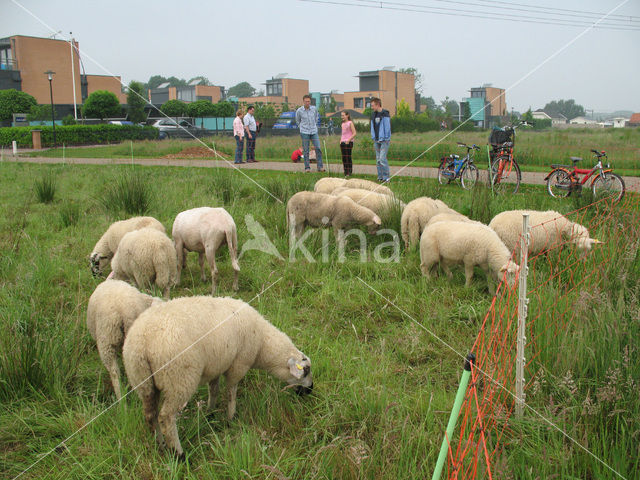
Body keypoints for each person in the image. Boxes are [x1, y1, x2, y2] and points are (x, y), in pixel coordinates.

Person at [295, 94, 324, 172]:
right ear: (303, 102)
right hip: (304, 131)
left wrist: (314, 126)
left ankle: (320, 167)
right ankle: (307, 167)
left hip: (314, 131)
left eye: (309, 101)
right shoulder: (299, 111)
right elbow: (298, 121)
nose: (307, 103)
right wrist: (301, 128)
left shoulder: (314, 109)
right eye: (306, 101)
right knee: (306, 150)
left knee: (318, 148)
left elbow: (316, 118)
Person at [370, 97, 391, 183]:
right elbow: (372, 126)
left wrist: (386, 138)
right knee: (378, 160)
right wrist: (374, 137)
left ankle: (386, 177)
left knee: (382, 159)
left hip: (384, 141)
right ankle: (380, 177)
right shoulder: (373, 115)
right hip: (376, 140)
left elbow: (387, 127)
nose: (372, 107)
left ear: (378, 104)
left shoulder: (385, 114)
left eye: (373, 105)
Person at [339, 110, 356, 177]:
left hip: (349, 142)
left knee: (348, 157)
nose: (342, 117)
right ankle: (345, 171)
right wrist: (340, 140)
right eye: (341, 115)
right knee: (343, 157)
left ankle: (349, 171)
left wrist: (349, 140)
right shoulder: (342, 124)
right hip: (343, 142)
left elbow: (354, 133)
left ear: (347, 115)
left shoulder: (350, 123)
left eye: (343, 115)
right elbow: (343, 134)